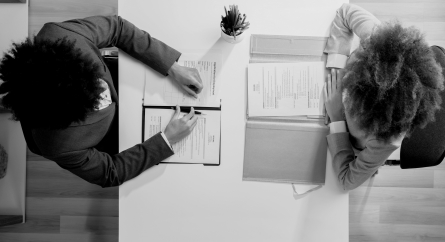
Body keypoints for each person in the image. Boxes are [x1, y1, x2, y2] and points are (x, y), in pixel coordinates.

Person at [0, 15, 204, 187]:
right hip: (102, 134)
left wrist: (172, 67)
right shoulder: (60, 146)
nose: (104, 93)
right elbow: (110, 173)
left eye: (96, 82)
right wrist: (167, 139)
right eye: (96, 100)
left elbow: (118, 27)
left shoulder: (60, 35)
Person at [323, 4, 445, 190]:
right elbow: (345, 13)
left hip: (346, 133)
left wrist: (338, 118)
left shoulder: (386, 139)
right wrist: (337, 69)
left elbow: (347, 180)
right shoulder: (380, 45)